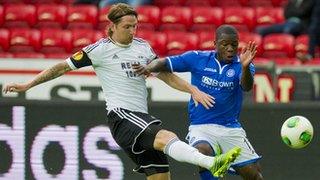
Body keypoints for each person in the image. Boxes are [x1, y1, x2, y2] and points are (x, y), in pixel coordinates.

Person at [2, 3, 241, 180]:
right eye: (127, 27)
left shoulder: (143, 47)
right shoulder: (99, 50)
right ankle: (212, 162)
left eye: (135, 26)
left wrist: (192, 89)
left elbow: (166, 74)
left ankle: (211, 163)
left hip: (140, 117)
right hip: (122, 116)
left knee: (161, 177)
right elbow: (60, 68)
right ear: (112, 26)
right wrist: (27, 85)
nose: (132, 31)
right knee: (167, 136)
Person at [133, 25, 263, 180]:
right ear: (215, 44)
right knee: (202, 151)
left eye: (234, 45)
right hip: (201, 127)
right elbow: (163, 63)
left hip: (230, 128)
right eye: (224, 44)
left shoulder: (242, 64)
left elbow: (246, 86)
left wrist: (245, 67)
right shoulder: (198, 58)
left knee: (253, 175)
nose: (230, 48)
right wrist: (148, 67)